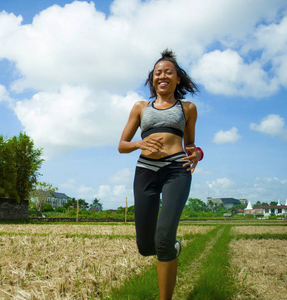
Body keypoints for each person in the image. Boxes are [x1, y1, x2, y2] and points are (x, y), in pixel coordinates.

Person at [118, 49, 203, 300]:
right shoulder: (140, 107)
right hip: (146, 170)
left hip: (177, 169)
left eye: (168, 72)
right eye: (158, 73)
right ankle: (172, 247)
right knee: (146, 247)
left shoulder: (187, 108)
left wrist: (198, 153)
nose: (162, 76)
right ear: (152, 79)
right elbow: (122, 145)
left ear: (178, 79)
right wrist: (138, 144)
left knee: (164, 240)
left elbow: (191, 145)